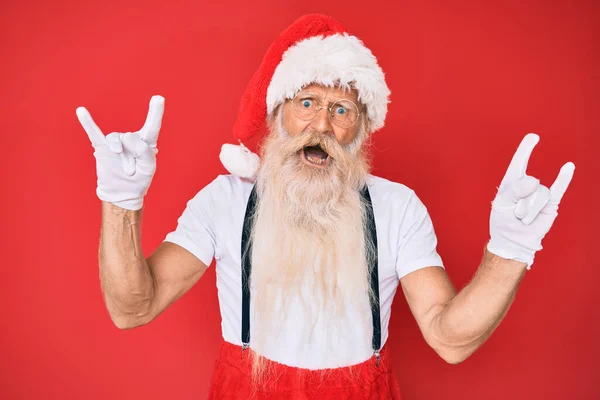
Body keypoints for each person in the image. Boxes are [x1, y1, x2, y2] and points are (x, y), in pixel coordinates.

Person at [76, 14, 575, 399]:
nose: (322, 126)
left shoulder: (397, 208)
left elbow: (450, 338)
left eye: (342, 110)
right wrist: (121, 201)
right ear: (277, 116)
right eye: (307, 102)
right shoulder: (225, 201)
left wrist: (509, 249)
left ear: (360, 130)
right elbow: (132, 309)